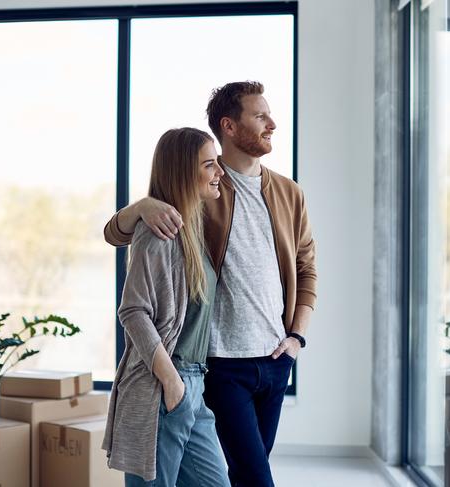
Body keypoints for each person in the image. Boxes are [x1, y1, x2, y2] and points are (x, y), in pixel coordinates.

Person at [104, 81, 317, 487]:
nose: (272, 123)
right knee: (253, 477)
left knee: (242, 472)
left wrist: (296, 338)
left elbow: (307, 267)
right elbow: (120, 238)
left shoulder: (289, 194)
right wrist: (142, 206)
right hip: (217, 363)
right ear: (230, 127)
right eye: (260, 115)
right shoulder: (204, 191)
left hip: (274, 360)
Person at [101, 127, 230, 487]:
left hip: (194, 385)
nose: (219, 171)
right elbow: (132, 311)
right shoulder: (157, 231)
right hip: (165, 385)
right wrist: (171, 383)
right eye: (209, 164)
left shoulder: (192, 227)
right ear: (185, 172)